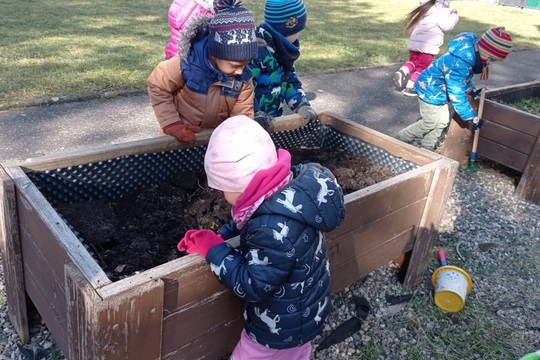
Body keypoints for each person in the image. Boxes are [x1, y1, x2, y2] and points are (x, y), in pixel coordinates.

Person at [177, 115, 346, 359]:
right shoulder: (292, 192)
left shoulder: (269, 231)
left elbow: (252, 285)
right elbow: (259, 215)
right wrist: (222, 234)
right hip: (307, 313)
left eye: (223, 188)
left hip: (277, 331)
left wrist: (213, 249)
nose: (223, 194)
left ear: (239, 187)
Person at [147, 0, 258, 143]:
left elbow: (242, 116)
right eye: (235, 65)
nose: (240, 71)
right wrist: (171, 123)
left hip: (216, 141)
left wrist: (238, 135)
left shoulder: (243, 78)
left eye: (245, 64)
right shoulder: (187, 63)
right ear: (216, 53)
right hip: (179, 138)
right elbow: (157, 84)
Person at [395, 27, 512, 151]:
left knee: (442, 121)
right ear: (485, 52)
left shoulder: (469, 54)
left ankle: (426, 147)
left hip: (439, 92)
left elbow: (461, 80)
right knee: (430, 122)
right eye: (492, 59)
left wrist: (470, 89)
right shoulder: (461, 62)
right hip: (429, 90)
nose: (491, 63)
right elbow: (456, 93)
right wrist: (470, 117)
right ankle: (400, 139)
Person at [248, 0, 318, 127]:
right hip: (251, 125)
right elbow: (244, 88)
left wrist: (301, 105)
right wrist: (255, 113)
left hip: (272, 122)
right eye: (297, 31)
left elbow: (290, 81)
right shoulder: (257, 52)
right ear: (287, 28)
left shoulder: (283, 50)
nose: (299, 35)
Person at [393, 0, 459, 97]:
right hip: (428, 44)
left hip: (415, 41)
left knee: (413, 62)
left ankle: (402, 71)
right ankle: (410, 87)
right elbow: (446, 26)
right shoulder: (442, 10)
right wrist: (454, 16)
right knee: (423, 67)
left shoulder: (427, 7)